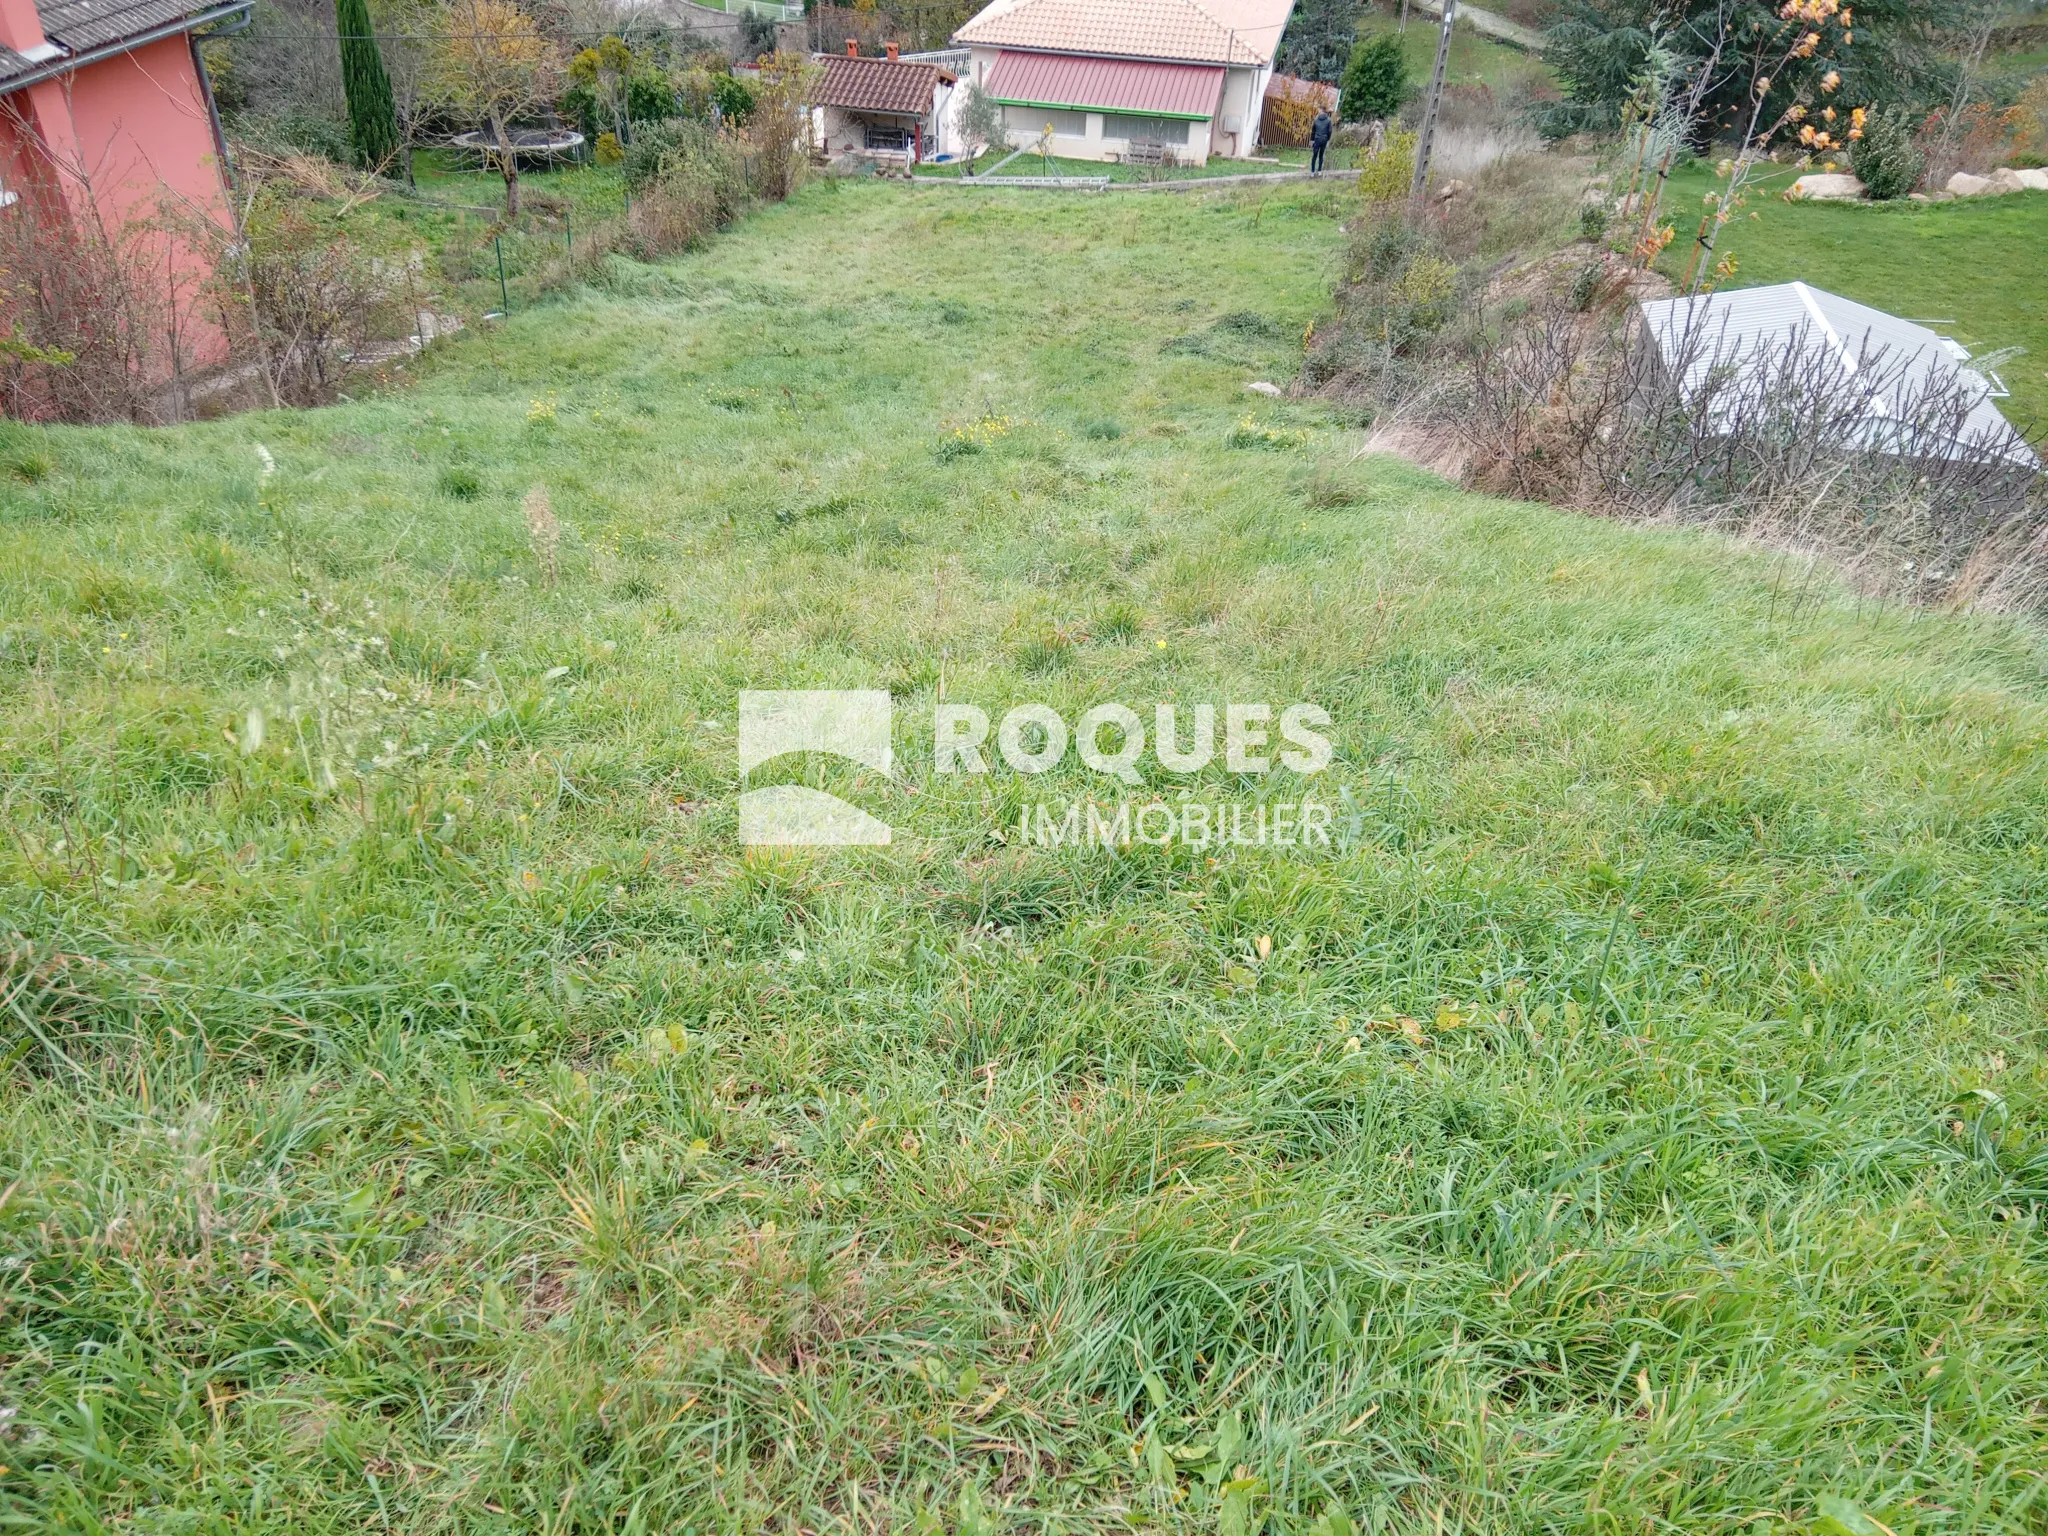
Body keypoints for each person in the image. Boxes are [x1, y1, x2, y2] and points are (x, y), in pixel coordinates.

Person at [1309, 108, 1332, 176]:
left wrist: (1311, 140)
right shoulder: (1328, 120)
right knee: (1321, 155)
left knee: (1314, 155)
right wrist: (1328, 140)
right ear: (1325, 112)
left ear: (1321, 112)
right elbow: (1330, 131)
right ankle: (1319, 171)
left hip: (1317, 139)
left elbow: (1313, 131)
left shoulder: (1316, 120)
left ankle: (1312, 172)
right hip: (1324, 139)